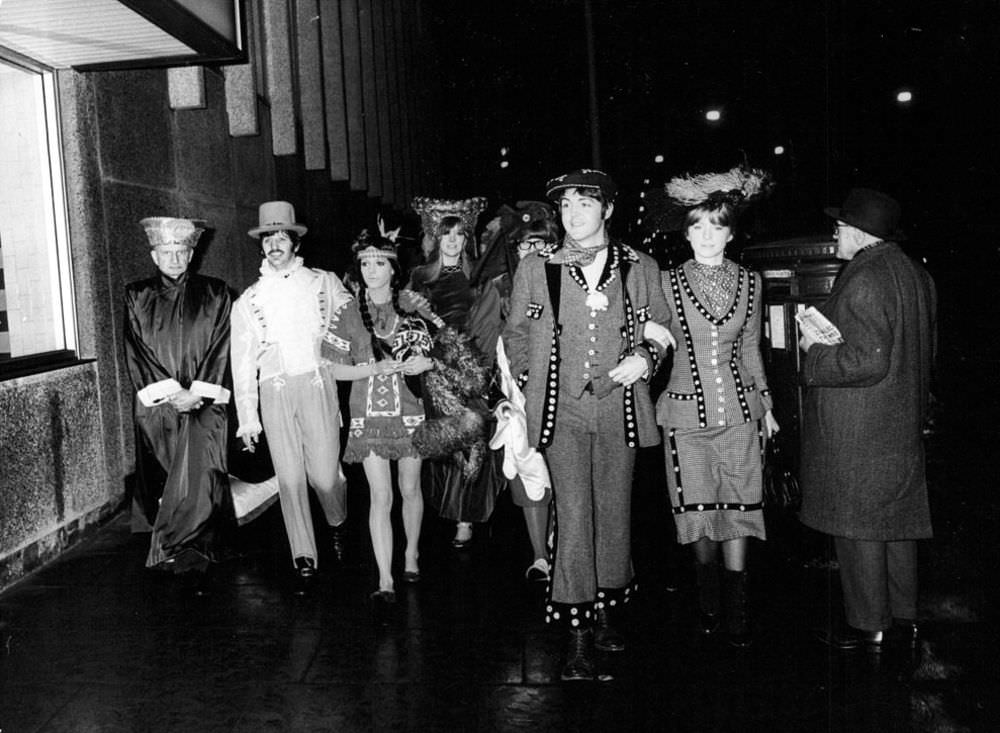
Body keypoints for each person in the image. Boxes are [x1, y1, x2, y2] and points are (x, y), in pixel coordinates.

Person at [503, 169, 673, 681]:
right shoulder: (539, 267)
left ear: (608, 210)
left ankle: (605, 613)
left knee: (614, 511)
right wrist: (537, 378)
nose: (573, 215)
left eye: (584, 204)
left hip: (619, 407)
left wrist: (645, 356)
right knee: (574, 513)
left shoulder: (639, 265)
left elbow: (660, 324)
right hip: (562, 411)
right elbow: (515, 335)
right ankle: (577, 631)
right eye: (566, 207)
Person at [799, 188, 936, 651]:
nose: (835, 233)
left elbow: (866, 361)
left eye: (840, 226)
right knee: (895, 528)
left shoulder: (864, 277)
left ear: (860, 232)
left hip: (858, 430)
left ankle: (866, 624)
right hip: (897, 421)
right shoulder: (915, 275)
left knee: (856, 530)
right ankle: (903, 613)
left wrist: (814, 354)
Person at [650, 166, 779, 648]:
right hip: (684, 418)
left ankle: (738, 608)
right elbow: (654, 340)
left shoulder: (750, 282)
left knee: (741, 508)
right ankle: (707, 603)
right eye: (697, 226)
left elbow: (750, 350)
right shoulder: (665, 282)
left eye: (716, 225)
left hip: (740, 416)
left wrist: (765, 404)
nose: (706, 235)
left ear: (730, 231)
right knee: (697, 509)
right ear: (685, 233)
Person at [230, 201, 353, 591]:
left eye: (281, 237)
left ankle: (337, 520)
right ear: (262, 246)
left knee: (323, 476)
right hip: (276, 390)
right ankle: (303, 552)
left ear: (295, 242)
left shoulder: (323, 282)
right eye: (268, 238)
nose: (274, 245)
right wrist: (248, 416)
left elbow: (353, 327)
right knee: (290, 476)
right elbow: (242, 362)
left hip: (317, 385)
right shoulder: (248, 300)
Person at [323, 225, 437, 612]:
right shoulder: (346, 312)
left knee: (409, 488)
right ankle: (385, 577)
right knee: (380, 495)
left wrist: (428, 362)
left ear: (393, 268)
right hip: (367, 414)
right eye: (365, 263)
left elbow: (449, 350)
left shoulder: (415, 305)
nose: (371, 270)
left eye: (379, 263)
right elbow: (332, 369)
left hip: (409, 410)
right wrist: (371, 370)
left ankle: (411, 555)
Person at [124, 216, 234, 587]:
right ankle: (172, 543)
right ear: (154, 256)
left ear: (192, 254)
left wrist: (198, 392)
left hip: (205, 401)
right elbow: (135, 349)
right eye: (165, 252)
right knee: (167, 469)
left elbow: (223, 344)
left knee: (204, 473)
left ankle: (195, 545)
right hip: (158, 404)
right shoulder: (136, 295)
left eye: (180, 251)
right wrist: (171, 393)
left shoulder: (217, 292)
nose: (173, 259)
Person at [468, 201, 561, 581]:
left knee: (565, 473)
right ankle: (540, 554)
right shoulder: (499, 289)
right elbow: (480, 346)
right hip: (517, 392)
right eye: (525, 245)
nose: (533, 252)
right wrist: (497, 398)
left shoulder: (568, 279)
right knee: (527, 469)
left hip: (567, 393)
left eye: (541, 244)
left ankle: (563, 544)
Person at [409, 196, 496, 549]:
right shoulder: (420, 277)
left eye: (460, 234)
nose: (453, 240)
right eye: (447, 234)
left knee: (473, 434)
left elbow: (490, 321)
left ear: (467, 238)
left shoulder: (478, 277)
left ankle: (465, 517)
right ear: (436, 235)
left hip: (472, 366)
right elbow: (411, 326)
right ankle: (449, 506)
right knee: (448, 441)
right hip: (435, 368)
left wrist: (480, 363)